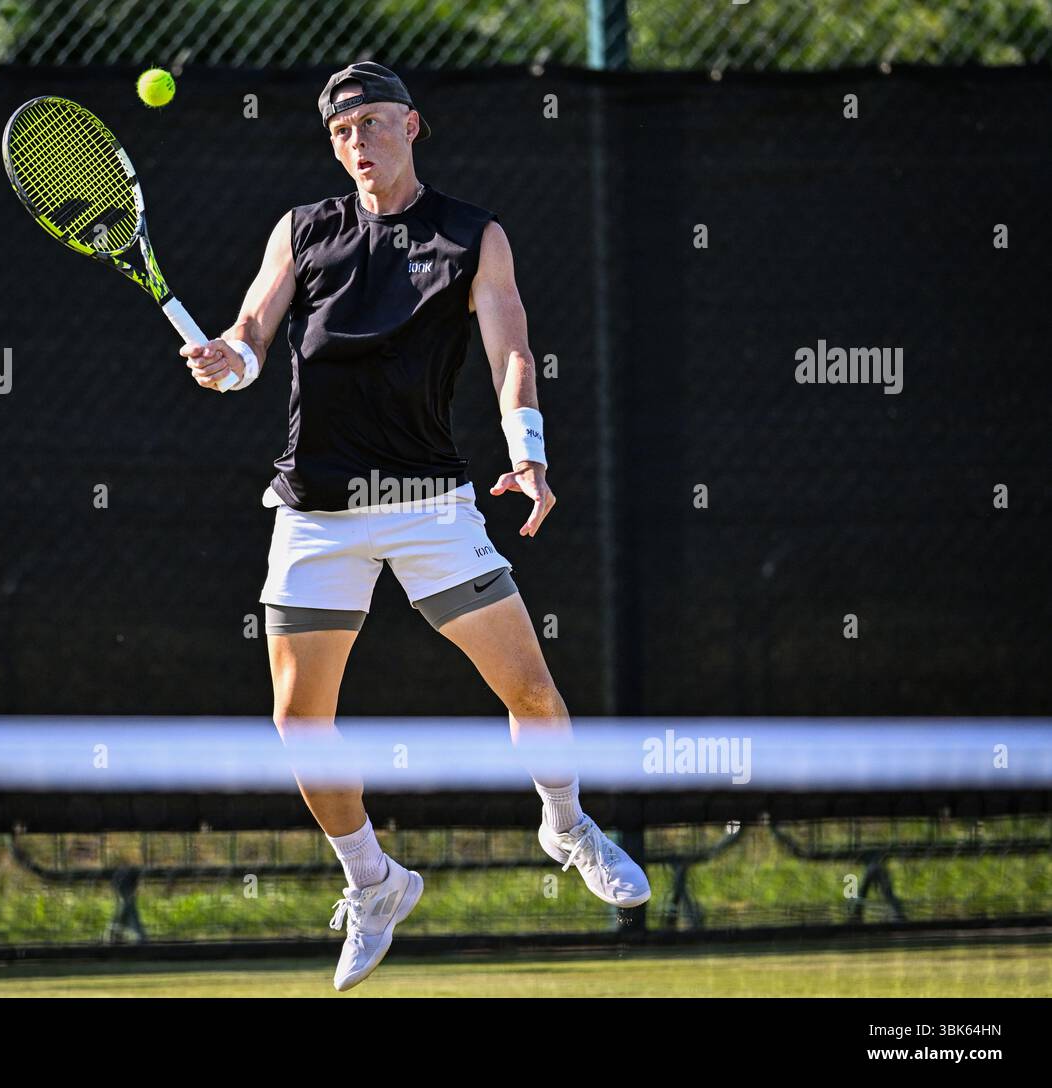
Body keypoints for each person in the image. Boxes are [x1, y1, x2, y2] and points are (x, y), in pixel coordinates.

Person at [181, 62, 650, 991]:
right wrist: (226, 362)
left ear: (413, 125)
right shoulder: (302, 229)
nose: (359, 142)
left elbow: (510, 350)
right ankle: (375, 882)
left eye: (374, 122)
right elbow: (250, 335)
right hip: (316, 513)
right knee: (298, 721)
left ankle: (566, 823)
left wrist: (529, 450)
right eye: (342, 130)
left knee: (532, 695)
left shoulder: (474, 237)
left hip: (429, 506)